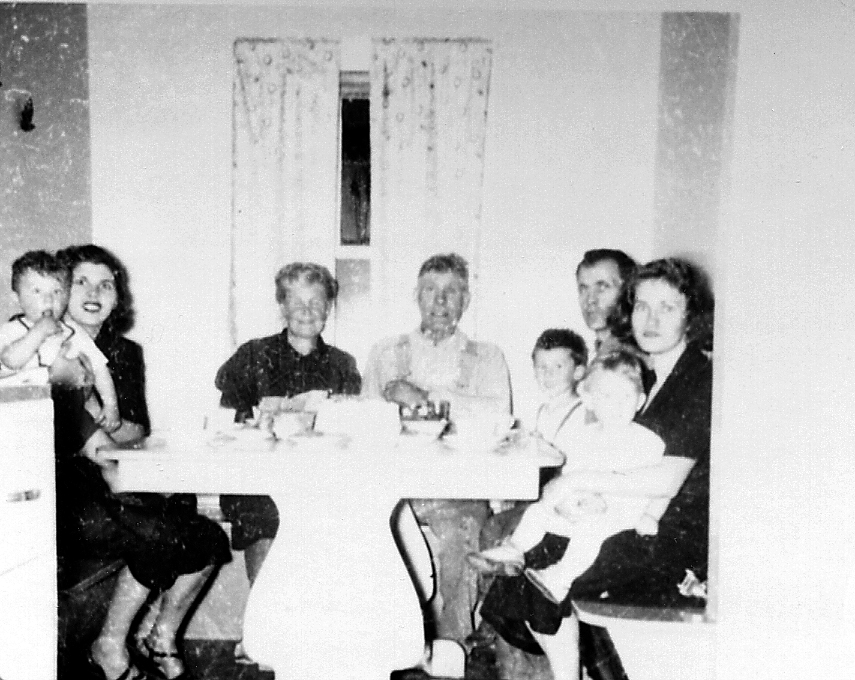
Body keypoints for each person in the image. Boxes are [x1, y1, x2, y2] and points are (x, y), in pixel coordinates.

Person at [481, 257, 713, 680]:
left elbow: (667, 481)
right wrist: (570, 492)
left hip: (669, 530)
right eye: (643, 305)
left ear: (689, 315)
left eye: (668, 307)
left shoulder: (697, 377)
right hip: (611, 511)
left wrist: (577, 490)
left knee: (542, 570)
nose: (651, 318)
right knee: (525, 563)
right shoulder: (632, 366)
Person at [55, 244, 231, 680]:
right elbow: (79, 440)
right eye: (82, 282)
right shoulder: (47, 349)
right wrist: (103, 429)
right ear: (60, 291)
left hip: (113, 478)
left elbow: (135, 425)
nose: (94, 292)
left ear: (118, 296)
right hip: (65, 494)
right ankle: (110, 646)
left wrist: (98, 420)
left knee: (206, 537)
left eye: (106, 284)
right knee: (163, 533)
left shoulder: (123, 351)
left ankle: (161, 637)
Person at [362, 253, 512, 646]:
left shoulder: (488, 357)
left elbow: (498, 422)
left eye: (452, 292)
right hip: (390, 489)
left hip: (454, 492)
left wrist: (422, 397)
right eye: (431, 290)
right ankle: (380, 643)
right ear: (416, 296)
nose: (441, 302)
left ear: (466, 300)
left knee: (464, 531)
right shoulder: (385, 352)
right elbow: (362, 425)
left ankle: (451, 645)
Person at [215, 262, 362, 636]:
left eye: (316, 301)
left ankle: (313, 630)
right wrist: (273, 413)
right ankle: (264, 630)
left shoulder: (342, 365)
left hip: (320, 476)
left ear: (328, 307)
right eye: (296, 300)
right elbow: (229, 418)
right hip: (260, 475)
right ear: (281, 305)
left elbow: (350, 431)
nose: (307, 310)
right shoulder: (252, 355)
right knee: (263, 510)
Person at [469, 347, 665, 606]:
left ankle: (560, 578)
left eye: (625, 397)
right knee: (537, 512)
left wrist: (646, 514)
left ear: (639, 401)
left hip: (619, 515)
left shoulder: (647, 442)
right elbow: (569, 477)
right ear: (591, 401)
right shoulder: (583, 437)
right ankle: (514, 549)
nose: (616, 405)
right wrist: (564, 503)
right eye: (606, 396)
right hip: (577, 508)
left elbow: (651, 483)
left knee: (591, 532)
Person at [0, 249, 120, 434]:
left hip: (69, 414)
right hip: (23, 415)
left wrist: (111, 406)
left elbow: (99, 367)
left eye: (56, 291)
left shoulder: (72, 330)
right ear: (17, 298)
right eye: (37, 291)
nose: (48, 299)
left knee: (102, 451)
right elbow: (11, 361)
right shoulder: (13, 330)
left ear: (66, 295)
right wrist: (38, 332)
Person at [576, 248, 636, 357]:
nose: (590, 300)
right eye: (584, 289)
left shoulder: (627, 356)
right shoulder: (605, 350)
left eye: (602, 287)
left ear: (627, 291)